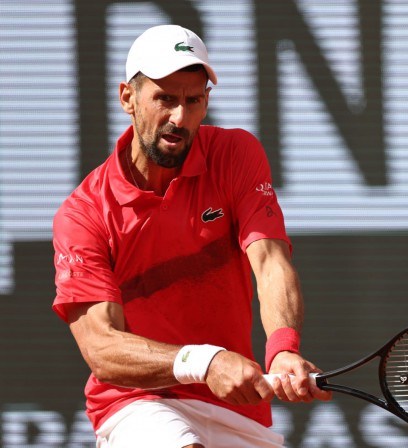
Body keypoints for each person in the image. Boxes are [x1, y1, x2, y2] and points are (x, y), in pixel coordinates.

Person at [52, 24, 331, 448]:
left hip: (238, 410)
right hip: (138, 403)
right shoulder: (84, 214)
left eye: (193, 100)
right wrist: (204, 361)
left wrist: (283, 348)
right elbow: (101, 347)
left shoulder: (236, 154)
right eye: (165, 99)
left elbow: (270, 261)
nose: (180, 118)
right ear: (127, 98)